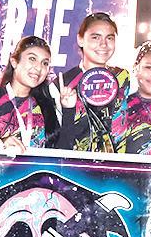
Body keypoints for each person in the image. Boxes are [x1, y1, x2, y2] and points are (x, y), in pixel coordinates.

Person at [0, 36, 76, 152]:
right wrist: (2, 143)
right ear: (14, 62)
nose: (39, 67)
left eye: (45, 63)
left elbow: (63, 152)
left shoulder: (45, 105)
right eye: (32, 59)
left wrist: (68, 110)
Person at [52, 12, 130, 152]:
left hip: (119, 163)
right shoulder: (62, 84)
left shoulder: (123, 78)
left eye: (109, 38)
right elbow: (55, 141)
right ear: (80, 40)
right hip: (75, 164)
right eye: (95, 37)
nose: (103, 44)